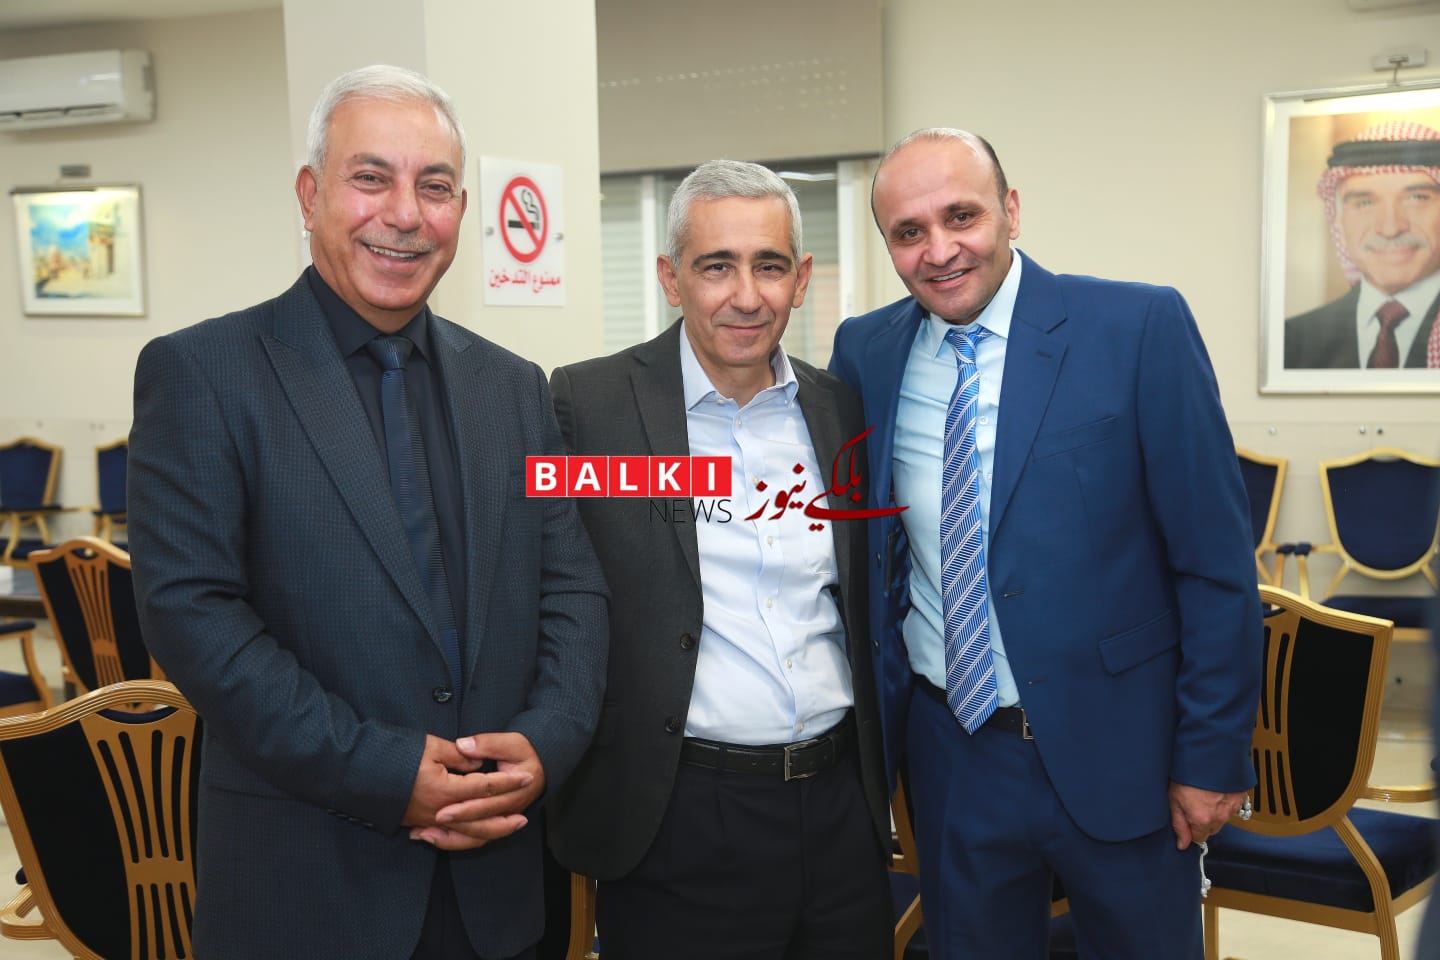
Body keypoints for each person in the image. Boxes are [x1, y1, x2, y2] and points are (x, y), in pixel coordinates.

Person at [128, 65, 608, 960]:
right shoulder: (203, 374)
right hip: (308, 889)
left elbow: (572, 586)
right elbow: (192, 617)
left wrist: (545, 744)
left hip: (499, 886)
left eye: (435, 186)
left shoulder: (514, 388)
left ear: (461, 209)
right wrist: (386, 773)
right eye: (371, 177)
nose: (404, 214)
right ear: (310, 196)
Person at [828, 128, 1262, 959]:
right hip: (953, 757)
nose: (939, 251)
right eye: (909, 232)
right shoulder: (867, 352)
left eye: (962, 216)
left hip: (1124, 752)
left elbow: (1213, 564)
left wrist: (1211, 755)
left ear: (1012, 210)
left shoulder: (1136, 327)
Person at [545, 159, 892, 959]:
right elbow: (548, 590)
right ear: (671, 278)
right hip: (679, 818)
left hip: (840, 814)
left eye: (769, 266)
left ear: (801, 278)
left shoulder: (839, 408)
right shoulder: (592, 409)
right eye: (716, 267)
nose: (746, 295)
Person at [1284, 121, 1440, 369]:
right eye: (1365, 203)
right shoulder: (1292, 341)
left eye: (1417, 198)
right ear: (1338, 220)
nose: (1390, 228)